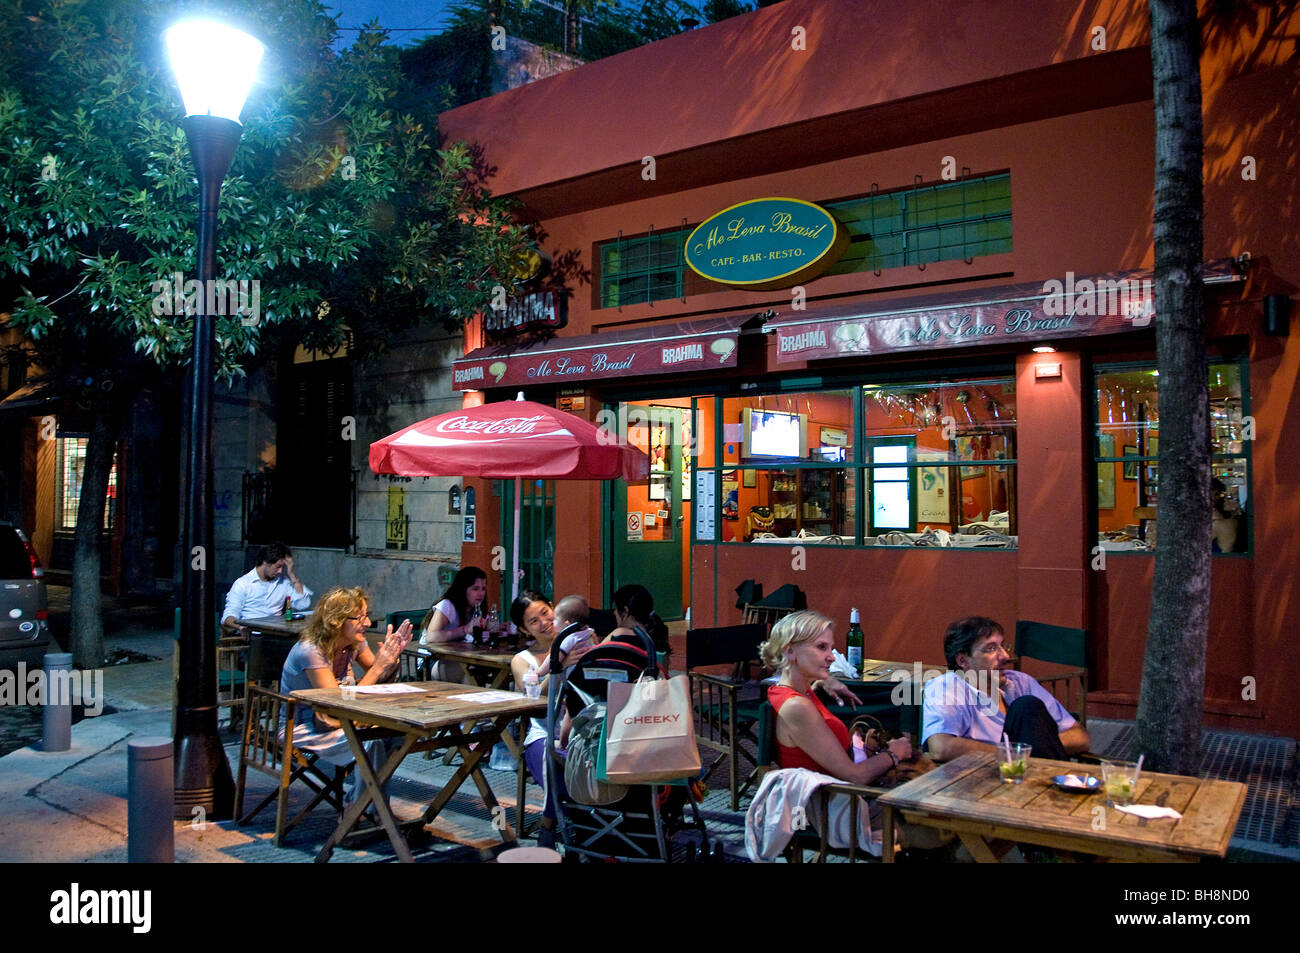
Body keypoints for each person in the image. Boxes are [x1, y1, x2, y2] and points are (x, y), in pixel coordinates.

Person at [279, 587, 412, 805]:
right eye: (360, 617)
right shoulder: (312, 650)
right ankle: (360, 812)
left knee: (397, 735)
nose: (367, 623)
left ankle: (368, 811)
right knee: (371, 744)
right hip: (304, 725)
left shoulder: (354, 643)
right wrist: (378, 667)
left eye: (367, 616)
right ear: (337, 621)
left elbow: (379, 677)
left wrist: (392, 658)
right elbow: (336, 703)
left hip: (342, 721)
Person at [761, 610, 913, 785]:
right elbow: (856, 776)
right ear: (790, 651)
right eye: (821, 647)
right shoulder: (797, 706)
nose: (832, 657)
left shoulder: (787, 691)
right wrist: (894, 753)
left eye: (831, 648)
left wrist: (822, 682)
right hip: (830, 802)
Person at [922, 616, 1091, 762]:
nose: (1005, 656)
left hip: (1037, 776)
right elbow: (941, 746)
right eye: (991, 648)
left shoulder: (1020, 682)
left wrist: (1032, 748)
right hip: (982, 778)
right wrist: (1013, 754)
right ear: (963, 661)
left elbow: (1081, 737)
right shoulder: (946, 687)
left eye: (1003, 646)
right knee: (1025, 706)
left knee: (1027, 706)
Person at [508, 591, 569, 846]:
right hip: (540, 734)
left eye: (545, 612)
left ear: (553, 607)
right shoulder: (521, 660)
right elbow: (533, 697)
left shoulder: (575, 644)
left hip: (576, 732)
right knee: (551, 763)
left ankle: (553, 821)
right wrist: (559, 664)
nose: (544, 622)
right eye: (534, 621)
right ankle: (548, 825)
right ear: (524, 630)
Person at [419, 566, 489, 682]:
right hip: (431, 660)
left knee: (484, 670)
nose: (481, 593)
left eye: (483, 588)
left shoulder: (476, 609)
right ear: (463, 589)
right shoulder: (447, 605)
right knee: (468, 674)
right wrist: (465, 629)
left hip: (461, 657)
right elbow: (431, 637)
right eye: (475, 589)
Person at [222, 541, 312, 627]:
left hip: (276, 632)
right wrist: (241, 627)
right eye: (278, 566)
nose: (280, 571)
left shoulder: (283, 582)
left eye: (282, 567)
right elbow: (228, 617)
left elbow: (303, 604)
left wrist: (292, 574)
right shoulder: (243, 584)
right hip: (252, 633)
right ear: (266, 562)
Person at [533, 594, 597, 678]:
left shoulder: (570, 638)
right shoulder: (588, 632)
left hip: (575, 677)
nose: (552, 622)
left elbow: (554, 658)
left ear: (567, 625)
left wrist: (539, 672)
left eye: (555, 619)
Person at [605, 584, 671, 659]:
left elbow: (593, 654)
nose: (614, 612)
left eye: (616, 608)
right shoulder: (657, 634)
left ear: (626, 611)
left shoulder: (620, 633)